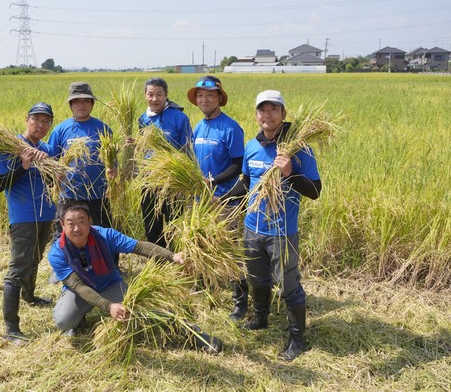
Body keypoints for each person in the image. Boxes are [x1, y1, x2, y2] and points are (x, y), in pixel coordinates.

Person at [47, 201, 222, 354]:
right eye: (71, 223)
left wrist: (172, 256)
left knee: (150, 311)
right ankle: (79, 320)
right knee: (63, 321)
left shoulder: (105, 235)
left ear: (90, 222)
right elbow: (77, 286)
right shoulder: (57, 252)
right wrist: (108, 306)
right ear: (62, 224)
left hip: (110, 285)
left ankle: (199, 337)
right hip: (80, 291)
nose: (77, 228)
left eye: (81, 222)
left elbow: (139, 247)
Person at [224, 90, 321, 361]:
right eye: (262, 110)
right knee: (257, 278)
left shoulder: (299, 149)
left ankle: (297, 338)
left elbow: (315, 191)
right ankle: (260, 318)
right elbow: (246, 182)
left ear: (283, 114)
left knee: (289, 285)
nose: (267, 115)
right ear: (256, 115)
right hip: (252, 228)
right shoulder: (252, 146)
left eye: (273, 109)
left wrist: (290, 172)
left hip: (282, 231)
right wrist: (220, 197)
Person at [0, 102, 57, 344]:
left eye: (46, 121)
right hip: (23, 216)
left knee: (36, 258)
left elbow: (52, 182)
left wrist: (51, 168)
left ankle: (30, 296)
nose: (40, 125)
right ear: (27, 119)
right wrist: (24, 166)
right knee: (18, 268)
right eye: (36, 120)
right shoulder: (9, 148)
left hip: (45, 214)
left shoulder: (47, 148)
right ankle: (11, 327)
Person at [186, 75, 247, 322]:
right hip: (200, 202)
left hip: (224, 201)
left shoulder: (230, 127)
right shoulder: (199, 127)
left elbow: (237, 166)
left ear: (219, 98)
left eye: (210, 95)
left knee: (230, 251)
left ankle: (240, 302)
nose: (204, 99)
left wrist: (214, 183)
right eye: (200, 96)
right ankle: (205, 286)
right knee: (202, 244)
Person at [48, 82, 115, 242]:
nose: (81, 104)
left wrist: (113, 170)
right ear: (71, 104)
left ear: (92, 104)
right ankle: (65, 267)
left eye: (86, 100)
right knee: (65, 235)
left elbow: (112, 161)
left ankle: (108, 267)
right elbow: (51, 163)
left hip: (98, 194)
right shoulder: (61, 129)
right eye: (77, 101)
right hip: (69, 195)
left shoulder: (103, 129)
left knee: (103, 234)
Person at [137, 77, 193, 249]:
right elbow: (143, 147)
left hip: (173, 180)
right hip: (149, 179)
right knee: (151, 220)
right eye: (150, 94)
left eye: (159, 94)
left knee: (173, 221)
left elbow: (188, 150)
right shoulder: (143, 119)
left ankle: (176, 256)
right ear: (145, 96)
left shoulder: (179, 118)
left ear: (166, 95)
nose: (154, 99)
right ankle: (157, 259)